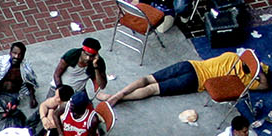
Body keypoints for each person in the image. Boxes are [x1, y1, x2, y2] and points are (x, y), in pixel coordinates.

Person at [106, 48, 256, 108]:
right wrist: (258, 74)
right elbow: (264, 85)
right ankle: (119, 99)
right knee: (152, 89)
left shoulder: (232, 56)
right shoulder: (244, 80)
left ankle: (119, 94)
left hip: (189, 65)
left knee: (147, 79)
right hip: (194, 81)